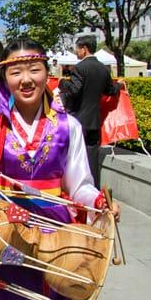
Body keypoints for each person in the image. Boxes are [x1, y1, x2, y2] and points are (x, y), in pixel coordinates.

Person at [0, 38, 120, 300]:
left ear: (47, 72)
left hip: (58, 246)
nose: (26, 79)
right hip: (8, 245)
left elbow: (80, 184)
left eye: (34, 69)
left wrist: (98, 203)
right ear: (5, 78)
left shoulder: (69, 128)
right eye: (16, 71)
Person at [58, 35, 120, 187]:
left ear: (84, 49)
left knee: (74, 158)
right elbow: (111, 90)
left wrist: (62, 83)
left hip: (78, 120)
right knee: (92, 158)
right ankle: (93, 190)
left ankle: (74, 189)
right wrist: (121, 86)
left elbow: (74, 91)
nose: (76, 53)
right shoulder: (103, 69)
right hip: (94, 121)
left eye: (77, 50)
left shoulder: (80, 68)